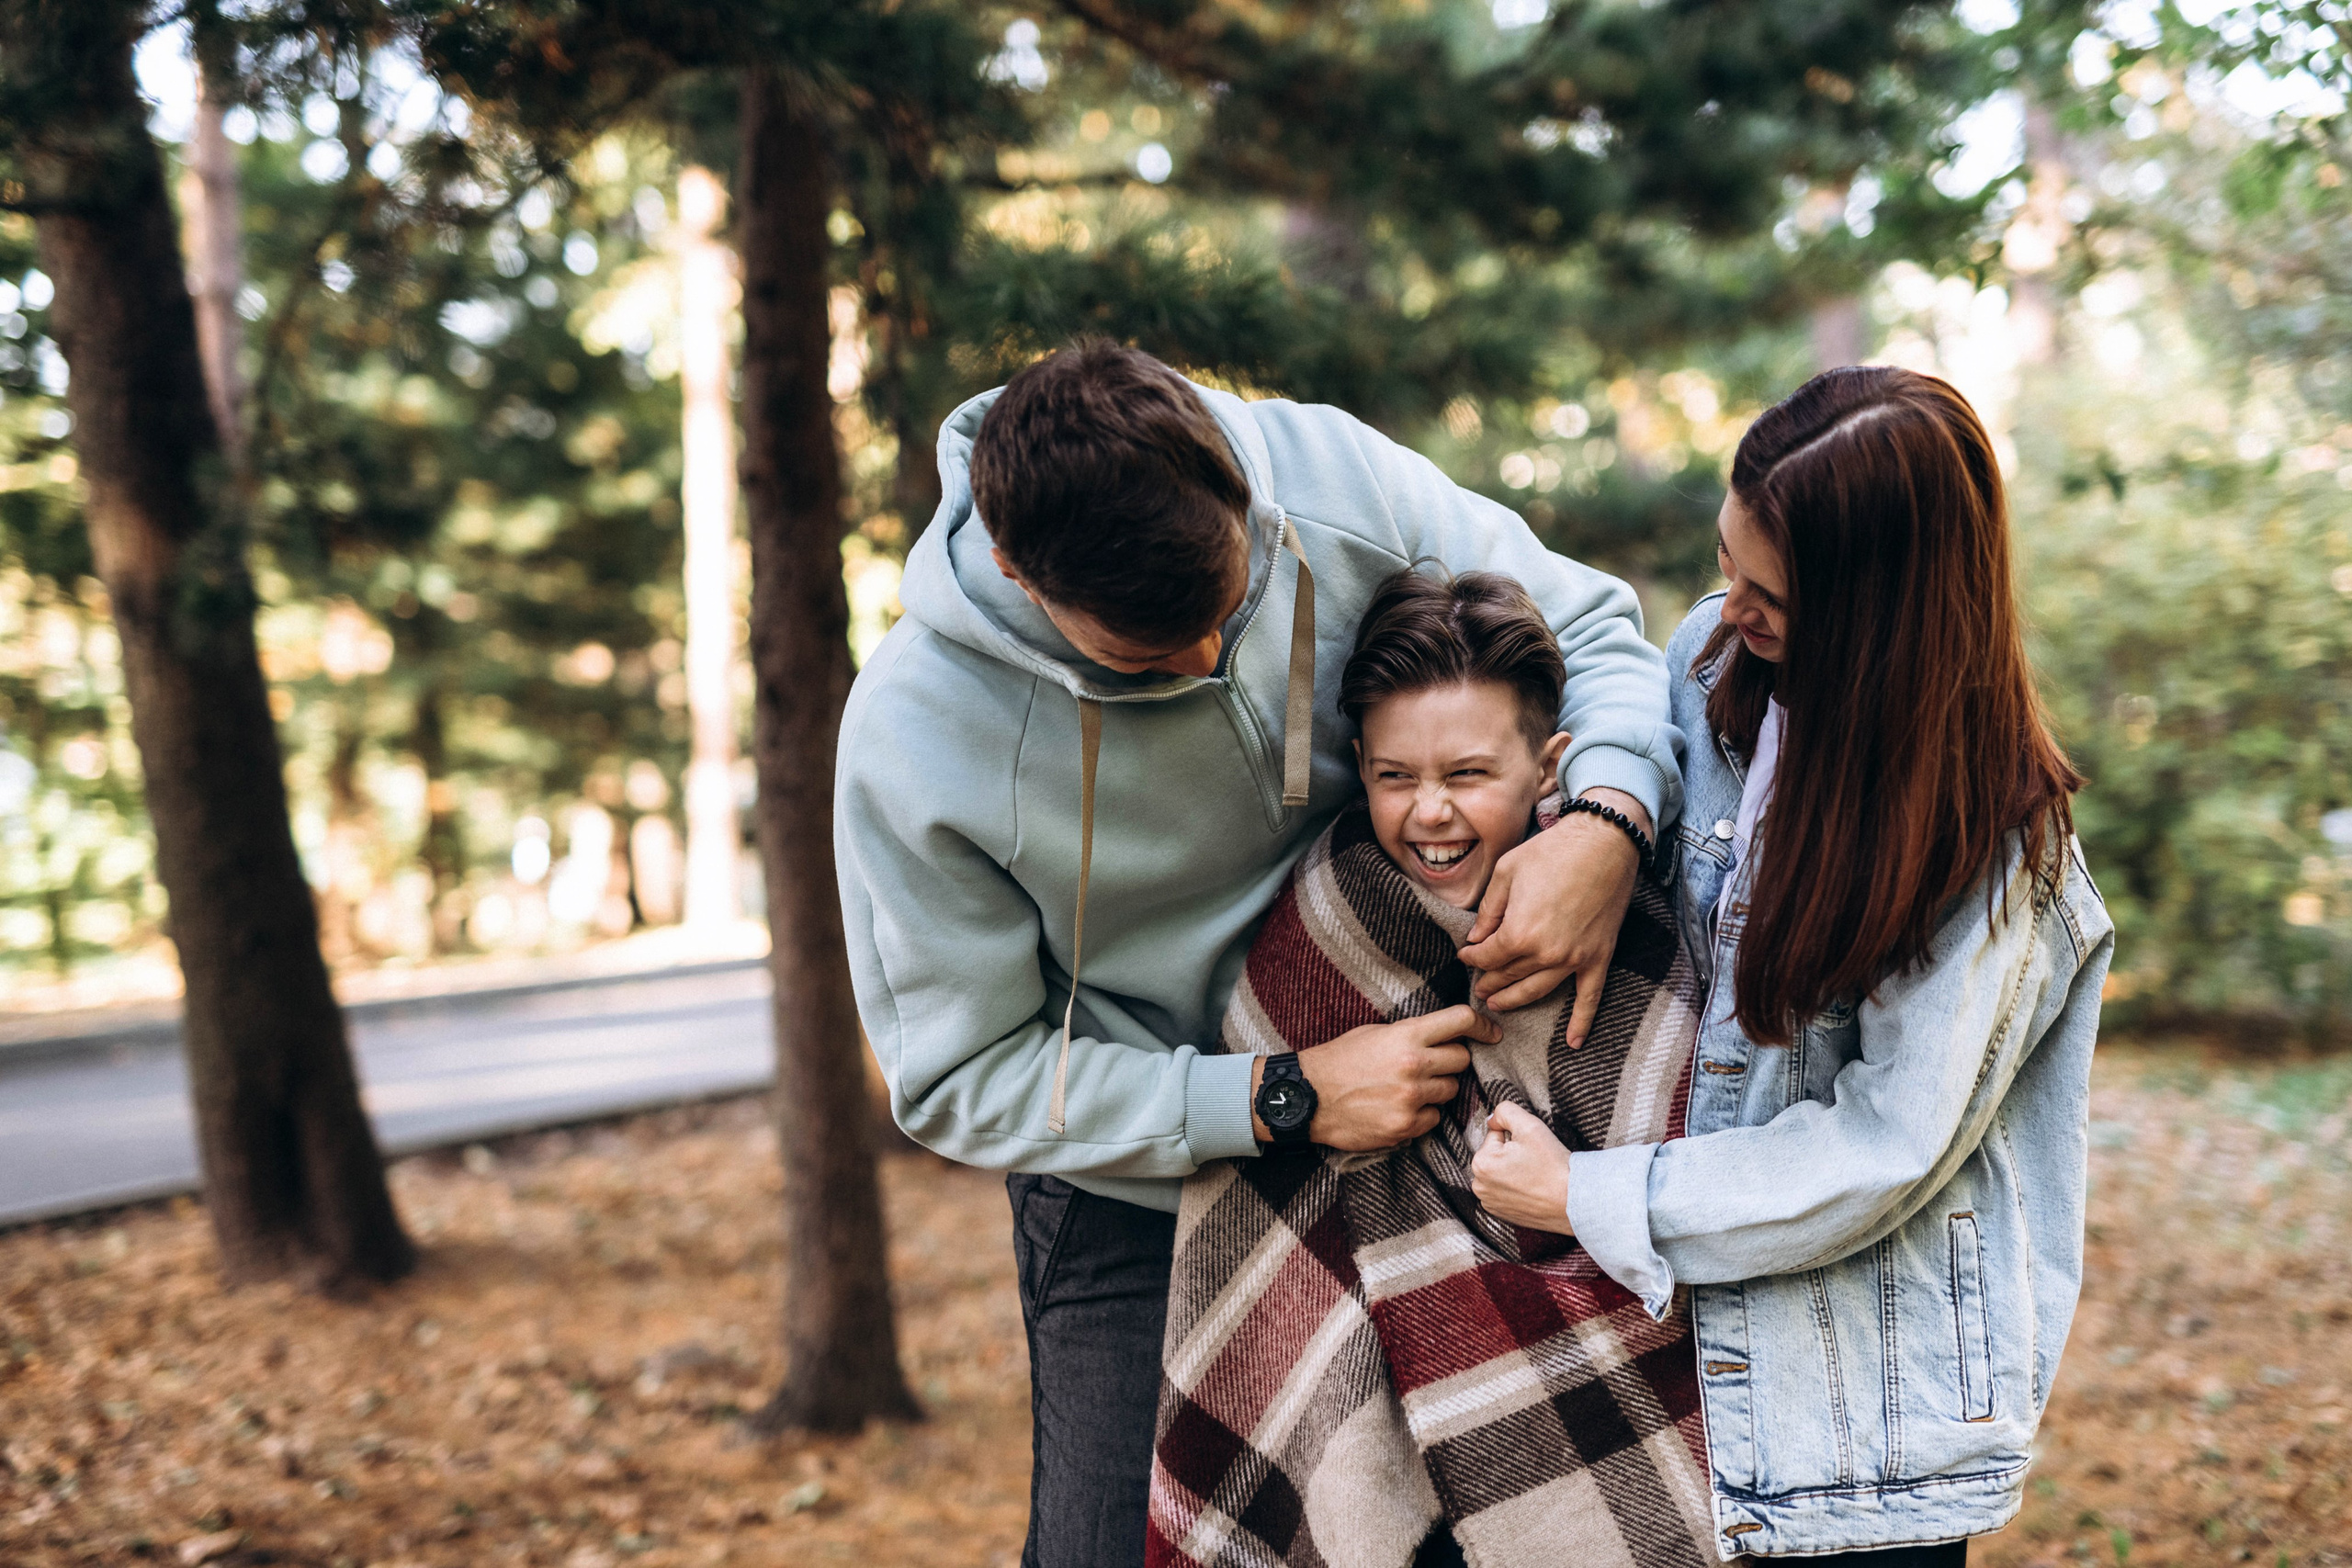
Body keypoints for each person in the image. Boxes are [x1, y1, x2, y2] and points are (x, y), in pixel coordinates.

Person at [833, 340, 1683, 1568]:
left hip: (1446, 1102)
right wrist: (1281, 1095)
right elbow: (960, 1075)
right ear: (1018, 572)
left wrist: (1606, 818)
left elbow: (1597, 628)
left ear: (1235, 481)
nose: (1207, 661)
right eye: (1145, 654)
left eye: (1227, 611)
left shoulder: (1331, 478)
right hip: (1145, 1167)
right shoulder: (915, 740)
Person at [1469, 365, 2115, 1564]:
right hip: (1663, 1370)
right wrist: (1596, 826)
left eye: (1770, 590)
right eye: (1727, 561)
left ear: (1881, 615)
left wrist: (1593, 1196)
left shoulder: (1996, 848)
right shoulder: (1717, 660)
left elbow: (1884, 1148)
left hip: (1856, 1424)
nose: (1729, 604)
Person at [1150, 567, 1715, 1568]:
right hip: (1379, 1407)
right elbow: (1252, 1225)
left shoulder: (1625, 906)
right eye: (1394, 777)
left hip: (1627, 1375)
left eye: (1466, 775)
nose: (1429, 815)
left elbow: (1683, 1139)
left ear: (1550, 769)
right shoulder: (1323, 925)